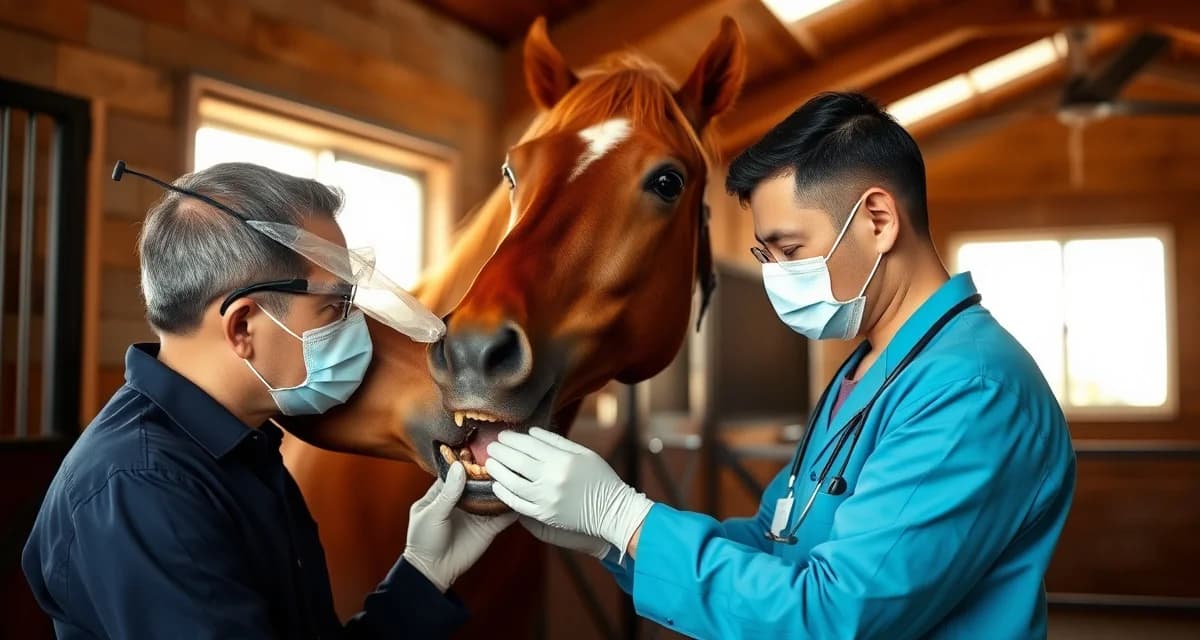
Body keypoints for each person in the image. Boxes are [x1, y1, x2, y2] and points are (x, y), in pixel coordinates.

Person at [484, 92, 1076, 639]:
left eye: (790, 251)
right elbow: (776, 548)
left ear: (878, 220)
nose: (777, 278)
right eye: (765, 256)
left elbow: (835, 614)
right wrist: (610, 542)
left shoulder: (971, 390)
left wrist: (628, 519)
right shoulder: (865, 371)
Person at [22, 162, 513, 639]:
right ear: (243, 326)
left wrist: (422, 575)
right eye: (333, 307)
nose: (355, 328)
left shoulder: (242, 446)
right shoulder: (143, 487)